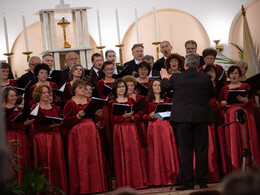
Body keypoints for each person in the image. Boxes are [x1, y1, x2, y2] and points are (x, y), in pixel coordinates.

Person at [160, 53, 216, 190]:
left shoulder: (177, 77)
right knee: (201, 150)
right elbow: (213, 95)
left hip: (183, 119)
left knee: (186, 151)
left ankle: (188, 182)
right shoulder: (205, 78)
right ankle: (202, 182)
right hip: (201, 118)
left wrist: (164, 78)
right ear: (198, 65)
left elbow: (164, 88)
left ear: (185, 64)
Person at [63, 79, 108, 194]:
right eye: (80, 88)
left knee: (93, 158)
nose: (83, 90)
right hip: (78, 134)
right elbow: (65, 121)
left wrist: (100, 115)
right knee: (81, 159)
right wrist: (77, 116)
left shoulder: (90, 101)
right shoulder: (70, 103)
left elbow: (97, 118)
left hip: (91, 131)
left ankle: (96, 186)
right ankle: (83, 187)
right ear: (74, 90)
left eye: (84, 88)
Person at [218, 66, 260, 172]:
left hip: (245, 116)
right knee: (233, 140)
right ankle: (235, 166)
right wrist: (223, 103)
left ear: (239, 74)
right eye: (232, 73)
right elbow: (218, 104)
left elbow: (252, 102)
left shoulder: (246, 86)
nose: (234, 75)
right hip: (230, 117)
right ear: (229, 76)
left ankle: (251, 167)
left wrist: (246, 101)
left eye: (236, 73)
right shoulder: (225, 88)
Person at [108, 79, 148, 189]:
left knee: (134, 153)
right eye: (119, 87)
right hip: (119, 130)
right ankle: (126, 183)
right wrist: (122, 117)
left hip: (131, 128)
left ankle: (137, 181)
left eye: (123, 86)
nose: (121, 89)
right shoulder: (112, 102)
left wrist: (131, 117)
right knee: (122, 154)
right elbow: (111, 119)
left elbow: (137, 115)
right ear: (115, 89)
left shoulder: (130, 99)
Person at [143, 79, 180, 186]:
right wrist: (149, 116)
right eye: (155, 85)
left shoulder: (167, 99)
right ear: (151, 88)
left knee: (168, 151)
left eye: (159, 85)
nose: (157, 87)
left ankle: (170, 177)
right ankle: (158, 180)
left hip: (166, 127)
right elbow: (142, 115)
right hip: (154, 128)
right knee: (156, 152)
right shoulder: (147, 101)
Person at [31, 85, 67, 193]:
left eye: (48, 92)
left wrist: (60, 123)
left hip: (56, 137)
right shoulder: (35, 107)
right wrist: (50, 126)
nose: (47, 94)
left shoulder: (55, 107)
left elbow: (60, 121)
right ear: (38, 95)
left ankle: (59, 189)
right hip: (42, 138)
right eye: (44, 93)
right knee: (45, 163)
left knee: (57, 163)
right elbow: (35, 125)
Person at [2, 87, 33, 183]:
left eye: (15, 95)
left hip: (22, 136)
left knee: (23, 160)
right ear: (5, 97)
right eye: (11, 96)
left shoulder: (19, 109)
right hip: (11, 136)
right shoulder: (3, 109)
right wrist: (23, 124)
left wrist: (28, 122)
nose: (14, 97)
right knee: (14, 161)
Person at [203, 65, 227, 177]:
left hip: (219, 116)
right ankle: (213, 172)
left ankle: (223, 171)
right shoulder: (202, 86)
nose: (210, 74)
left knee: (221, 143)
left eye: (212, 72)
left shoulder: (221, 86)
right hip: (207, 117)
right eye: (208, 72)